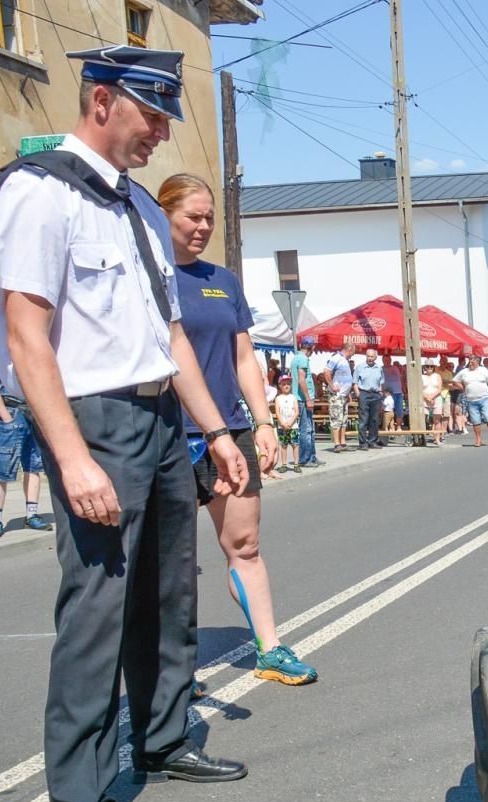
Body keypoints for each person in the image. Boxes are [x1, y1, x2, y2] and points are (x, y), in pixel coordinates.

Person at [0, 45, 251, 802]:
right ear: (102, 100)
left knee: (169, 591)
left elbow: (168, 335)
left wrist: (217, 431)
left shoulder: (136, 203)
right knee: (96, 613)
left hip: (162, 416)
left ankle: (164, 738)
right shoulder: (34, 192)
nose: (162, 131)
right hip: (92, 420)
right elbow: (28, 337)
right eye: (151, 113)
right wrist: (72, 459)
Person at [159, 173, 316, 687]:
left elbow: (244, 356)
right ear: (164, 215)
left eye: (210, 217)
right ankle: (172, 671)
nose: (203, 226)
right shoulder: (149, 276)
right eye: (193, 216)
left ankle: (269, 649)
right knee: (171, 562)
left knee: (244, 545)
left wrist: (264, 420)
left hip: (231, 428)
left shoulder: (223, 280)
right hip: (169, 434)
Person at [0, 345, 53, 538]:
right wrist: (6, 418)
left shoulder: (28, 345)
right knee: (1, 468)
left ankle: (31, 515)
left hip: (32, 410)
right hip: (7, 410)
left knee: (33, 465)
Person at [452, 354, 488, 446]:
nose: (470, 363)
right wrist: (462, 387)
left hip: (484, 398)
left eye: (473, 361)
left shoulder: (484, 370)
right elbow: (454, 381)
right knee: (475, 421)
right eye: (470, 361)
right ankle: (478, 439)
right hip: (471, 400)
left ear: (478, 361)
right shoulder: (464, 372)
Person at [289, 339, 321, 468]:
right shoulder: (302, 359)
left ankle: (312, 457)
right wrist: (308, 398)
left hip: (302, 398)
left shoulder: (296, 357)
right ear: (311, 347)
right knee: (306, 430)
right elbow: (302, 380)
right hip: (302, 399)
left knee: (310, 429)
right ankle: (305, 459)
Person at [324, 343, 355, 452]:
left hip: (344, 395)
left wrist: (348, 393)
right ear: (349, 350)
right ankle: (337, 444)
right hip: (336, 395)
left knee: (343, 419)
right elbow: (327, 371)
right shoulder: (336, 358)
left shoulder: (344, 360)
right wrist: (332, 385)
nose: (352, 355)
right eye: (352, 353)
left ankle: (343, 442)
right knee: (336, 418)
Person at [353, 348, 386, 449]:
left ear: (375, 357)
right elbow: (355, 383)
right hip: (364, 394)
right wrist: (359, 394)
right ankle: (363, 443)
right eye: (368, 356)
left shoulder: (379, 368)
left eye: (372, 356)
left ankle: (372, 441)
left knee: (375, 420)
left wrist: (380, 393)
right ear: (366, 356)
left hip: (376, 395)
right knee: (363, 420)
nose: (370, 358)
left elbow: (381, 382)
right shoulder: (360, 367)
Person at [271, 375, 301, 472]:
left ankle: (296, 464)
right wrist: (283, 424)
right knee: (283, 445)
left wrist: (291, 422)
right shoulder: (278, 398)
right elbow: (277, 412)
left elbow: (296, 411)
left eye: (288, 384)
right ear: (280, 386)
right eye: (284, 384)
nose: (286, 386)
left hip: (293, 426)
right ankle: (284, 464)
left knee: (295, 444)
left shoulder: (293, 397)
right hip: (282, 426)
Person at [420, 360, 446, 447]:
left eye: (431, 366)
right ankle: (422, 439)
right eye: (427, 366)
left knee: (437, 420)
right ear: (425, 367)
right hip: (424, 398)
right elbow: (419, 388)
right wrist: (427, 397)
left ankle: (437, 439)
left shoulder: (437, 376)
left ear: (433, 367)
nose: (429, 368)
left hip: (436, 398)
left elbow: (439, 389)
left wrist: (431, 397)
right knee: (422, 419)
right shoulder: (421, 376)